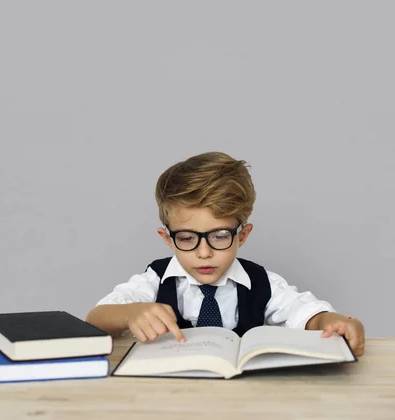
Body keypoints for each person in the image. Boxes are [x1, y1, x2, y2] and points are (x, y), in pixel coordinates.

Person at [86, 151, 365, 356]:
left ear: (242, 235)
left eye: (219, 236)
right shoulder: (155, 279)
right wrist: (131, 313)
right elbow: (95, 319)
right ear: (167, 238)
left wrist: (333, 322)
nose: (204, 253)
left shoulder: (261, 282)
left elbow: (305, 314)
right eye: (186, 238)